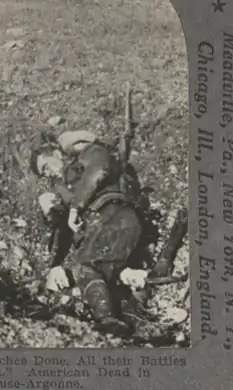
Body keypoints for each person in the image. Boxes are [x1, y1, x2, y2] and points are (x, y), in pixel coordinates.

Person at [35, 139, 159, 339]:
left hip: (114, 217)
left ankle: (108, 322)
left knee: (86, 268)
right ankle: (134, 325)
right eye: (43, 173)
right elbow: (62, 230)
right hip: (106, 227)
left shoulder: (90, 153)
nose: (47, 172)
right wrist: (51, 214)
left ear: (57, 153)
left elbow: (100, 170)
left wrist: (75, 207)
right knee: (107, 279)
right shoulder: (65, 186)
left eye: (46, 165)